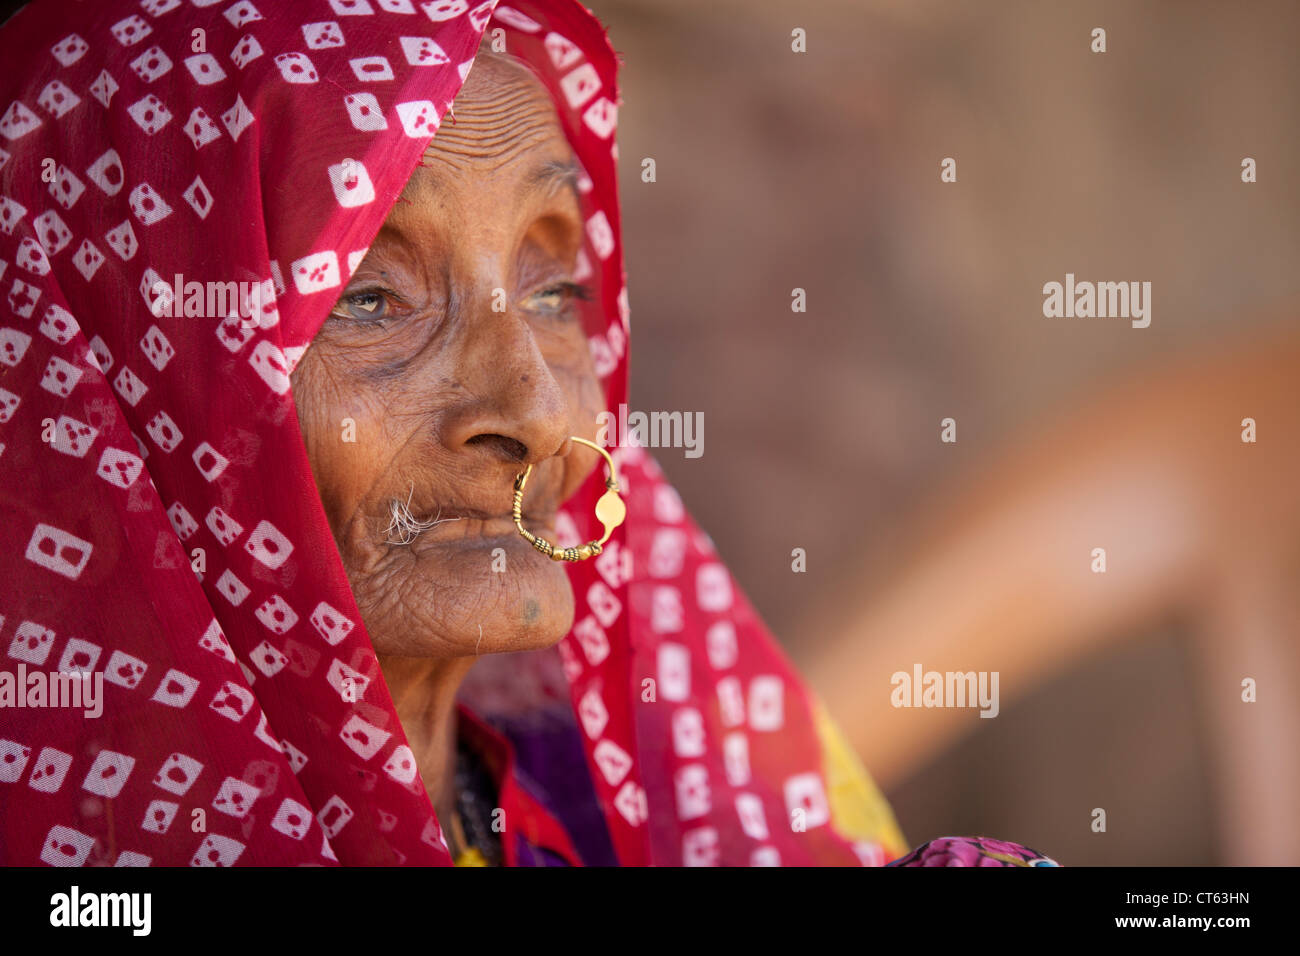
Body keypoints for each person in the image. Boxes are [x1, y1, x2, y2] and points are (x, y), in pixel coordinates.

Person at [0, 0, 1055, 867]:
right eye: (369, 297)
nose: (541, 410)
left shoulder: (614, 791)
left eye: (557, 291)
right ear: (122, 389)